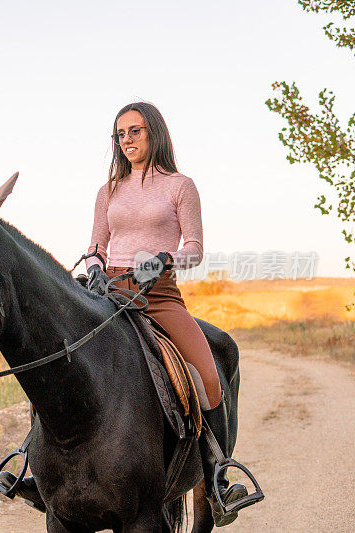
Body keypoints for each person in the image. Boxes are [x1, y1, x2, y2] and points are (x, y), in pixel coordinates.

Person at [83, 101, 247, 526]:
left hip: (159, 292)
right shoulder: (109, 189)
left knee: (209, 377)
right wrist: (96, 265)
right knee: (65, 355)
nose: (126, 140)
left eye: (134, 131)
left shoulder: (180, 185)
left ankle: (216, 476)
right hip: (109, 293)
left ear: (155, 132)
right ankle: (31, 463)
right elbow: (96, 244)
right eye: (120, 134)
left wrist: (164, 260)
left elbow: (194, 248)